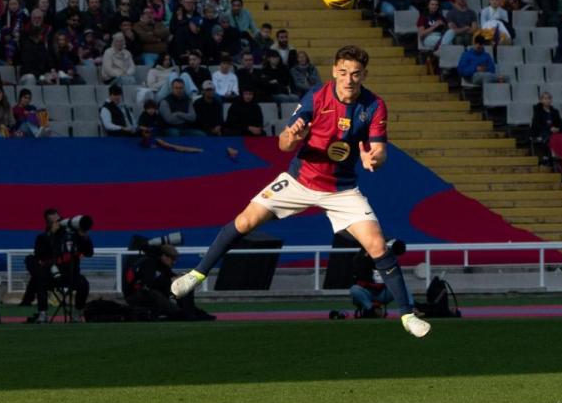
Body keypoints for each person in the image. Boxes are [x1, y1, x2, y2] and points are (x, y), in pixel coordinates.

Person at [171, 46, 431, 337]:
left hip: (341, 190)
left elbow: (379, 151)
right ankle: (196, 274)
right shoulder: (317, 97)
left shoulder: (374, 105)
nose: (349, 79)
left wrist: (375, 158)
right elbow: (283, 144)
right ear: (334, 71)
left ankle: (408, 315)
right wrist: (291, 137)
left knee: (378, 246)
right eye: (343, 72)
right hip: (298, 181)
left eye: (356, 74)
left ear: (364, 75)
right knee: (245, 222)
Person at [31, 209, 94, 323]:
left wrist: (84, 236)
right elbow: (39, 255)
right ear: (49, 224)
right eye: (54, 221)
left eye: (59, 220)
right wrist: (51, 234)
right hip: (52, 273)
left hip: (71, 273)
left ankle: (77, 313)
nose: (58, 223)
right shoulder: (43, 237)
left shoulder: (73, 235)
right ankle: (43, 313)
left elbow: (89, 253)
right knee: (40, 280)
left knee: (84, 284)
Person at [124, 243, 213, 321]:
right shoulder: (149, 263)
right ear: (164, 256)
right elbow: (149, 284)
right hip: (135, 295)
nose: (174, 262)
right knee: (155, 294)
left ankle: (190, 312)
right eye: (172, 259)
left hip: (150, 294)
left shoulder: (162, 265)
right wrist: (170, 280)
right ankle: (181, 314)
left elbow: (169, 277)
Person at [529, 91, 562, 160]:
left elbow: (560, 124)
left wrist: (558, 128)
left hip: (554, 132)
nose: (547, 100)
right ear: (541, 100)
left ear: (551, 100)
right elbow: (536, 125)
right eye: (545, 98)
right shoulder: (537, 111)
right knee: (549, 136)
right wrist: (549, 128)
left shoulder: (555, 111)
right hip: (541, 132)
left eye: (549, 98)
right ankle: (553, 154)